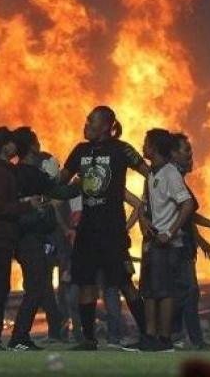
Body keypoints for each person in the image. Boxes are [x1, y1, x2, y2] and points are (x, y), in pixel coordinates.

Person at [61, 106, 149, 351]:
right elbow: (61, 182)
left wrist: (150, 205)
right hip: (87, 231)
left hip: (113, 231)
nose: (86, 124)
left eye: (91, 121)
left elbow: (151, 175)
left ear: (106, 125)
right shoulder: (80, 150)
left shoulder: (122, 149)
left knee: (124, 283)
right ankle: (89, 340)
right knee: (85, 284)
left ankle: (149, 336)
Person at [9, 127, 78, 351]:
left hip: (20, 238)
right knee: (38, 286)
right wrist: (83, 181)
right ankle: (20, 336)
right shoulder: (32, 174)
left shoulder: (13, 173)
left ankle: (27, 334)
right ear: (31, 146)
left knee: (37, 285)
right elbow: (62, 193)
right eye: (36, 142)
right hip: (31, 238)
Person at [0, 127, 45, 351]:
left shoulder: (2, 170)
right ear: (3, 147)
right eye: (9, 141)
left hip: (2, 237)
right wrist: (26, 205)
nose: (13, 144)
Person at [136, 129, 197, 352]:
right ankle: (150, 336)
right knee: (149, 292)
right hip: (152, 242)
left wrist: (169, 232)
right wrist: (144, 223)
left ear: (154, 147)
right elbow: (144, 206)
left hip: (168, 245)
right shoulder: (152, 174)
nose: (143, 147)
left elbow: (188, 204)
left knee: (164, 291)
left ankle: (164, 338)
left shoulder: (170, 173)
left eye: (146, 143)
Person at [168, 132, 210, 350]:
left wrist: (200, 239)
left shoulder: (177, 179)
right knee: (189, 292)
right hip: (178, 246)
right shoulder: (171, 178)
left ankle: (179, 336)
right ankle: (192, 339)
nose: (191, 156)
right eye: (186, 151)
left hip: (185, 245)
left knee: (184, 292)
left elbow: (188, 217)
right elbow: (188, 214)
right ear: (173, 153)